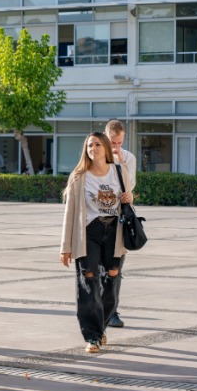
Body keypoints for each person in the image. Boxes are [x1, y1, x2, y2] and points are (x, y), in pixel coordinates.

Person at [60, 132, 133, 353]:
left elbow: (128, 203)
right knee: (88, 278)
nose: (93, 148)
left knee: (112, 278)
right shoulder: (79, 176)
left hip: (114, 231)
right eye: (90, 145)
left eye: (98, 144)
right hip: (88, 232)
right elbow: (70, 212)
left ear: (106, 148)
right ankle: (93, 336)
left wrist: (129, 199)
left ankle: (100, 327)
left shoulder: (119, 171)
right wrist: (65, 247)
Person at [104, 120, 137, 329]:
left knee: (116, 267)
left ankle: (112, 312)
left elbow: (129, 186)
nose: (115, 147)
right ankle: (100, 310)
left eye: (119, 143)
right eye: (112, 142)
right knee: (97, 268)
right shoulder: (96, 155)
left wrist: (121, 163)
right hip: (98, 218)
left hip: (120, 219)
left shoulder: (128, 158)